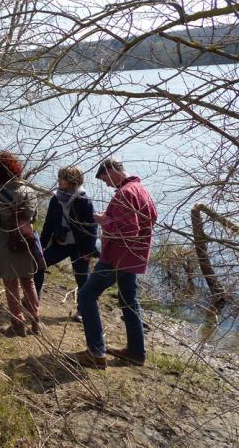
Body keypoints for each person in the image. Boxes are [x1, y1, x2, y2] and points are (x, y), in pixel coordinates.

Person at [73, 157, 158, 369]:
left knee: (86, 295)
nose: (107, 184)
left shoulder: (125, 193)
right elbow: (152, 217)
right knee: (129, 301)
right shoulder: (140, 189)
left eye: (105, 179)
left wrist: (104, 221)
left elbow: (129, 230)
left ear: (112, 171)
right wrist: (111, 219)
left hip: (118, 257)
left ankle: (96, 352)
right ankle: (136, 352)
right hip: (134, 256)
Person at [0, 151, 42, 337]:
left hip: (5, 245)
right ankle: (36, 320)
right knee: (29, 281)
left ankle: (18, 324)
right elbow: (33, 217)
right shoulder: (30, 192)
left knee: (10, 284)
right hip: (26, 242)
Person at [34, 165, 98, 321]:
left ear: (71, 181)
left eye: (61, 178)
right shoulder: (55, 199)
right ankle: (33, 301)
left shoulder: (83, 200)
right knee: (38, 266)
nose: (58, 181)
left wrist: (88, 252)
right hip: (59, 244)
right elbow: (48, 225)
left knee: (82, 279)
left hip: (79, 247)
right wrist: (41, 247)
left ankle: (83, 311)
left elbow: (92, 228)